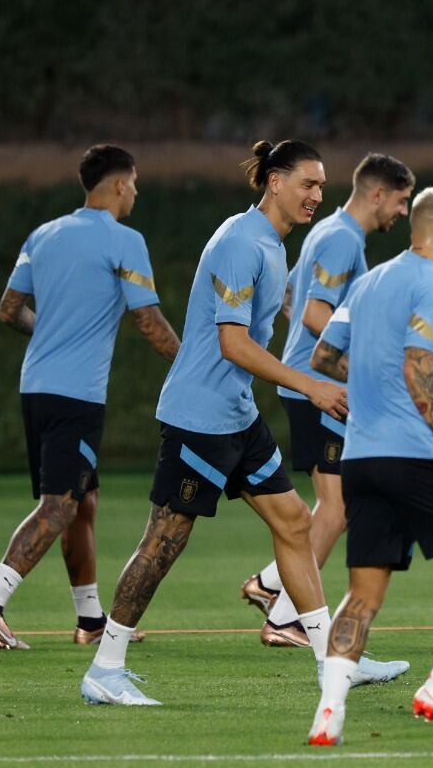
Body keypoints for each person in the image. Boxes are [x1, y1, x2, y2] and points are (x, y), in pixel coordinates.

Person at [78, 140, 404, 706]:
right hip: (200, 418)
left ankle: (334, 662)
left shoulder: (273, 244)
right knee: (164, 541)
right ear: (274, 182)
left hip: (236, 415)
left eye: (322, 186)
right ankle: (105, 668)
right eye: (308, 184)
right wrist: (312, 384)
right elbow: (232, 343)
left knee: (296, 523)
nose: (317, 195)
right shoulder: (239, 242)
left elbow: (274, 313)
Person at [307, 187, 433, 746]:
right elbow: (418, 367)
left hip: (360, 458)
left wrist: (372, 374)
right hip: (415, 454)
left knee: (363, 595)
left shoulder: (367, 282)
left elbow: (323, 357)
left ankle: (328, 714)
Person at [0, 145, 179, 651]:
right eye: (133, 183)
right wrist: (193, 365)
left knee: (83, 502)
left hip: (36, 387)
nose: (136, 192)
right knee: (59, 507)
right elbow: (149, 323)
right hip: (76, 396)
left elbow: (8, 309)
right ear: (117, 186)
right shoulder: (125, 241)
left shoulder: (44, 234)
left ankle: (90, 621)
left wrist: (50, 333)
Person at [241, 152, 415, 648]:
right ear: (377, 194)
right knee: (336, 508)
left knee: (334, 504)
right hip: (319, 387)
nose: (402, 213)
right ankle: (284, 617)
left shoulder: (328, 232)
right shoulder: (341, 238)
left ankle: (272, 585)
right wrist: (373, 357)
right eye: (401, 202)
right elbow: (317, 315)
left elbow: (295, 299)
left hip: (308, 382)